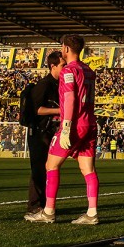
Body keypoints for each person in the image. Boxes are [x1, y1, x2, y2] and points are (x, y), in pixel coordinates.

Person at [26, 35, 99, 225]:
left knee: (51, 165)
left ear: (66, 49)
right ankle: (92, 213)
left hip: (75, 124)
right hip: (90, 123)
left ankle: (48, 211)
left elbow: (70, 99)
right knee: (88, 169)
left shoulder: (69, 70)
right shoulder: (88, 70)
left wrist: (65, 127)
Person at [24, 51, 63, 217]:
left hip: (49, 131)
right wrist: (60, 110)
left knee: (49, 169)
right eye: (63, 65)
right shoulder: (44, 84)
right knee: (38, 169)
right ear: (52, 66)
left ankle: (46, 204)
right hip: (38, 133)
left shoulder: (58, 84)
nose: (65, 68)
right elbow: (37, 109)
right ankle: (34, 205)